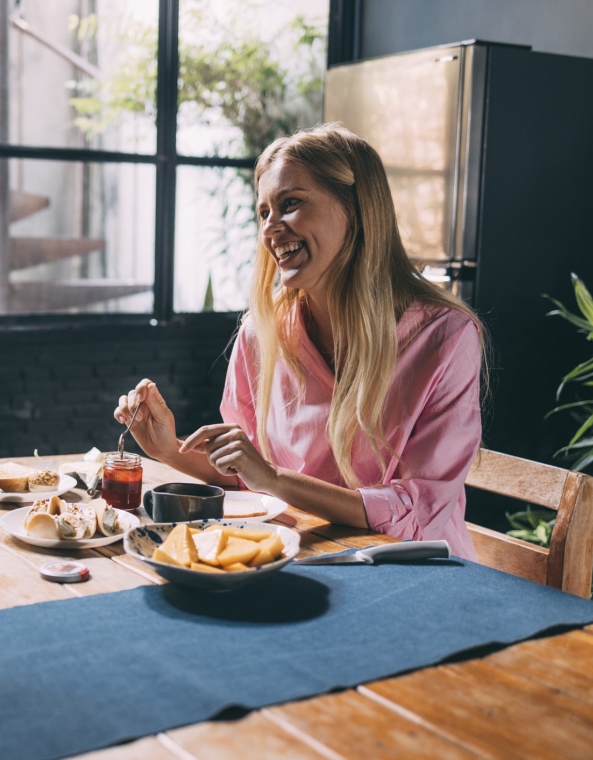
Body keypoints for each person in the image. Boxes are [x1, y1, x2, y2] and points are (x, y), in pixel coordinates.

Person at [115, 123, 486, 559]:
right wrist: (169, 449)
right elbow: (246, 477)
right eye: (263, 213)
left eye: (290, 204)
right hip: (304, 555)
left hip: (413, 572)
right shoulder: (261, 333)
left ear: (358, 209)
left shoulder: (445, 336)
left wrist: (273, 477)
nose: (271, 229)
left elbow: (419, 513)